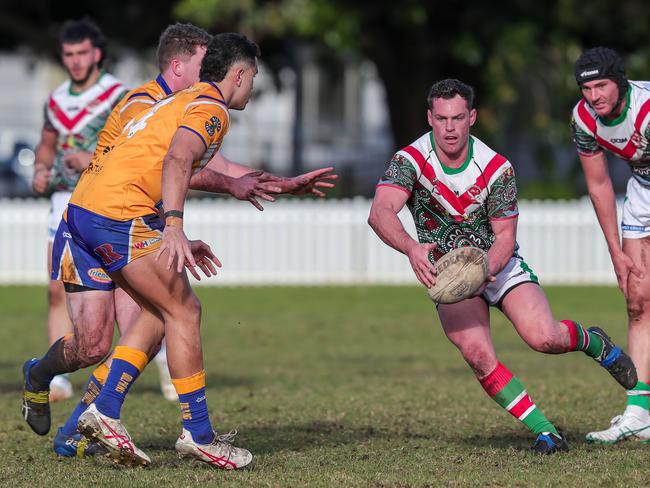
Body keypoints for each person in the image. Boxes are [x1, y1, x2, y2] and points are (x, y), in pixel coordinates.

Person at [21, 23, 336, 459]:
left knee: (141, 321)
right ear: (183, 65)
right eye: (201, 63)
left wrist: (278, 185)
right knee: (179, 309)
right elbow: (176, 160)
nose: (207, 69)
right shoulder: (173, 103)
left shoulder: (188, 102)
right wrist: (173, 225)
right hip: (114, 216)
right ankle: (196, 434)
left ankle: (84, 420)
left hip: (99, 213)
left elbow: (201, 163)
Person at [368, 78, 636, 454]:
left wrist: (483, 270)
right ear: (429, 117)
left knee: (545, 338)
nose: (449, 127)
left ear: (472, 117)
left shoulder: (496, 167)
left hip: (499, 265)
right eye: (442, 118)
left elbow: (505, 237)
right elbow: (380, 213)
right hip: (450, 274)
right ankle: (546, 431)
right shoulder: (408, 161)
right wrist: (412, 248)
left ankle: (594, 342)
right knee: (477, 354)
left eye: (458, 118)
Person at [31, 18, 128, 402]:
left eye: (82, 53)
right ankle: (58, 379)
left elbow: (134, 145)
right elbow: (47, 143)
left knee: (132, 289)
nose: (75, 60)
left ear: (97, 53)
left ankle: (166, 361)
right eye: (69, 54)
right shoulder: (55, 99)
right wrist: (40, 169)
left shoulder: (119, 94)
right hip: (62, 202)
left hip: (107, 200)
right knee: (57, 290)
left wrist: (92, 156)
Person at [571, 47, 650, 443]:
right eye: (587, 87)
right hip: (642, 194)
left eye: (602, 85)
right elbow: (599, 184)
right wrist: (616, 251)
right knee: (638, 300)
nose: (595, 95)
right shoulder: (584, 119)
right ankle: (640, 413)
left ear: (619, 80)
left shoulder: (647, 110)